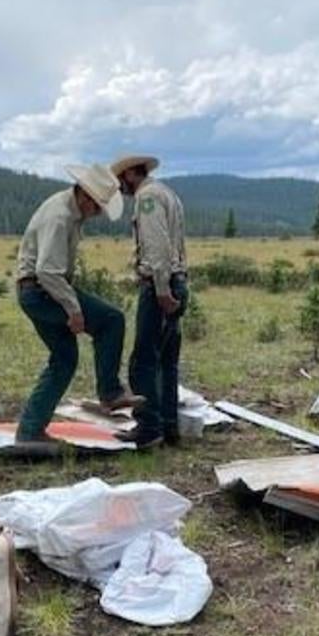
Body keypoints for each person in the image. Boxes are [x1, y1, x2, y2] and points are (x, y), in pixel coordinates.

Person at [15, 163, 143, 444]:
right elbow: (48, 271)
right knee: (111, 320)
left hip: (36, 293)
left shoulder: (66, 209)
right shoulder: (60, 216)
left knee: (64, 361)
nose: (97, 213)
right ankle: (110, 393)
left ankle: (30, 431)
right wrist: (73, 310)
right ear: (85, 195)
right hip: (43, 291)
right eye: (97, 206)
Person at [110, 154, 189, 449]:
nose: (119, 187)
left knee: (143, 361)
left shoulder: (147, 198)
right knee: (167, 361)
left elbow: (157, 246)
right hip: (178, 280)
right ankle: (169, 426)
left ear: (131, 173)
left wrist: (161, 288)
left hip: (161, 286)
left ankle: (148, 428)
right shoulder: (167, 193)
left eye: (121, 180)